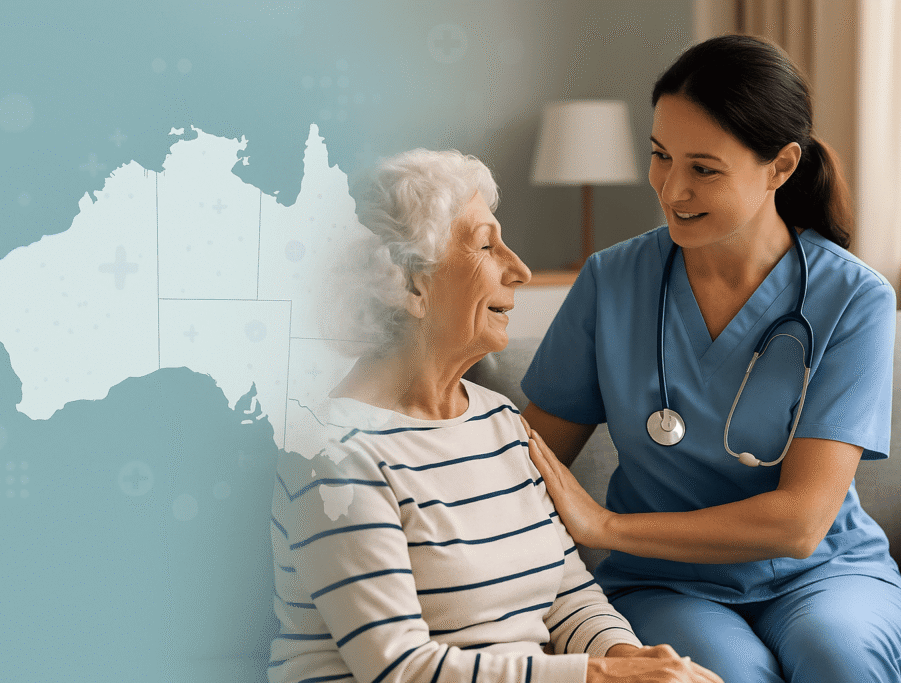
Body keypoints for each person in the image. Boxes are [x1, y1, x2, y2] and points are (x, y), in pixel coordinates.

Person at [521, 35, 901, 683]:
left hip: (825, 571)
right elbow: (529, 455)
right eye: (659, 156)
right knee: (722, 675)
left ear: (781, 166)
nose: (672, 188)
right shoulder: (611, 281)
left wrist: (607, 525)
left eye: (703, 168)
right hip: (665, 584)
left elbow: (798, 523)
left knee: (838, 659)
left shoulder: (853, 298)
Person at [268, 149, 722, 683]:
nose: (521, 269)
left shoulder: (497, 420)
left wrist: (630, 659)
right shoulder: (335, 454)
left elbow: (568, 595)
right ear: (412, 284)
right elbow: (398, 669)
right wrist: (598, 677)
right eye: (486, 245)